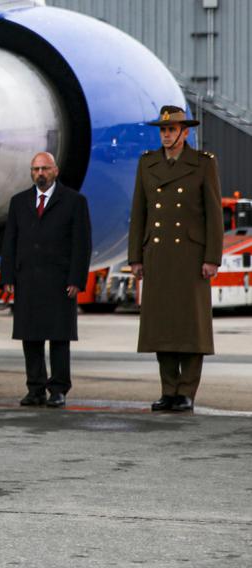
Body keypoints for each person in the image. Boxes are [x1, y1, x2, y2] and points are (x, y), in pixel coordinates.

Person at [128, 106, 224, 412]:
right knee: (162, 325)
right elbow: (139, 212)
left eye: (172, 130)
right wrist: (135, 258)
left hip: (191, 257)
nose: (167, 135)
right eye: (163, 130)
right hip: (158, 256)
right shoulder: (147, 163)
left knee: (191, 328)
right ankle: (168, 389)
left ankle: (186, 392)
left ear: (185, 132)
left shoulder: (203, 164)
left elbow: (214, 214)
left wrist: (212, 257)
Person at [0, 152, 92, 408]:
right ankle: (35, 388)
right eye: (35, 169)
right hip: (27, 278)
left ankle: (59, 388)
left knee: (59, 337)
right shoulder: (19, 202)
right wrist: (7, 275)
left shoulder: (74, 201)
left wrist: (77, 278)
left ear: (55, 171)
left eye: (44, 169)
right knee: (31, 336)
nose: (40, 173)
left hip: (60, 281)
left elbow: (81, 245)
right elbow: (11, 241)